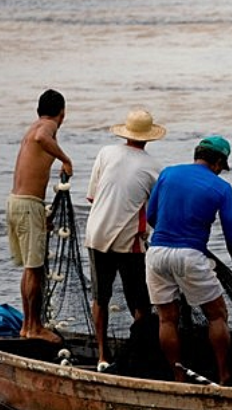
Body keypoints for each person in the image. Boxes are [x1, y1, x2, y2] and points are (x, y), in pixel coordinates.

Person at [144, 135, 232, 384]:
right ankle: (224, 375)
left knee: (167, 319)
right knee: (217, 315)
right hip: (190, 256)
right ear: (218, 162)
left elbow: (151, 215)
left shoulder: (168, 173)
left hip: (156, 252)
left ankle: (178, 377)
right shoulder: (221, 188)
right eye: (221, 167)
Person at [84, 108, 166, 371]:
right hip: (128, 241)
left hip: (96, 233)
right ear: (149, 137)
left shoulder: (106, 153)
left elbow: (93, 196)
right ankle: (139, 353)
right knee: (140, 301)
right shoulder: (154, 167)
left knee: (100, 297)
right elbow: (155, 212)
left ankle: (102, 355)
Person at [6, 88, 73, 343]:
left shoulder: (33, 126)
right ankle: (34, 327)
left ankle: (28, 326)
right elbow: (42, 137)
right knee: (34, 269)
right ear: (62, 113)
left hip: (17, 202)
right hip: (27, 205)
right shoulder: (47, 126)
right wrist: (66, 160)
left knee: (31, 269)